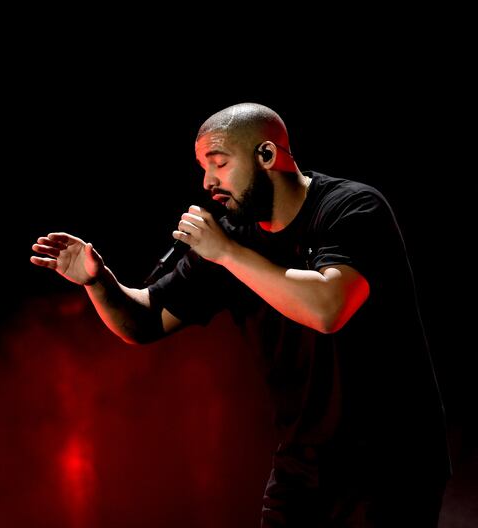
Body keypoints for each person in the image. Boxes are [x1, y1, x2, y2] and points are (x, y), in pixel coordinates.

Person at [30, 102, 452, 526]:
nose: (208, 181)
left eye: (219, 163)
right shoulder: (231, 237)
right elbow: (144, 320)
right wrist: (97, 281)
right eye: (202, 167)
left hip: (389, 467)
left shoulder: (352, 208)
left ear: (266, 156)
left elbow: (329, 308)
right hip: (302, 472)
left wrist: (227, 253)